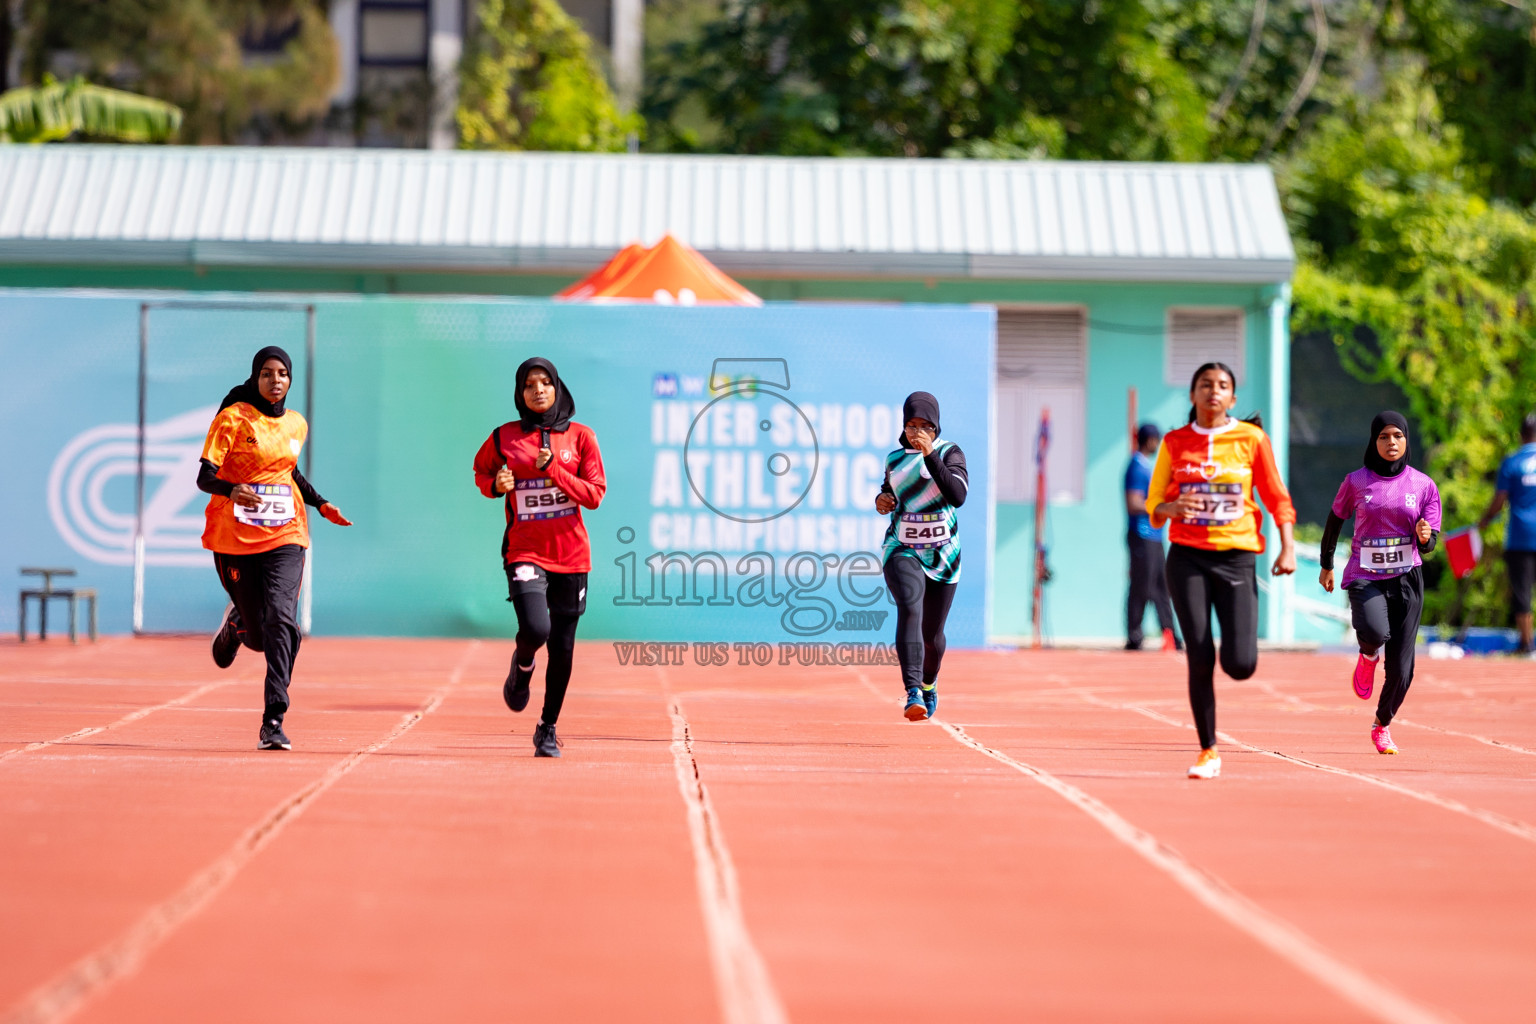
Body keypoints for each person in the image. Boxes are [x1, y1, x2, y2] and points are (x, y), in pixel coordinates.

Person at [1146, 362, 1296, 780]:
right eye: (1205, 385)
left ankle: (1238, 657)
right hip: (1187, 557)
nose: (1214, 391)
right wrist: (1169, 508)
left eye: (1223, 386)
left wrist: (1286, 547)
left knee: (1240, 664)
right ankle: (1208, 749)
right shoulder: (1175, 442)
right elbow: (1153, 501)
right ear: (1192, 395)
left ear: (1232, 398)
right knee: (1198, 651)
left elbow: (1276, 497)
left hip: (1236, 558)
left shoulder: (1251, 439)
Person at [199, 345, 352, 751]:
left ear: (290, 380)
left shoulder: (297, 424)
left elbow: (290, 472)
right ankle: (236, 626)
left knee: (283, 622)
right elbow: (204, 477)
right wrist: (233, 491)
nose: (275, 380)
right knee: (258, 638)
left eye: (282, 373)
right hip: (236, 537)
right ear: (255, 377)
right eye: (267, 373)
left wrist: (319, 503)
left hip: (286, 534)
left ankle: (274, 718)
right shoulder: (232, 419)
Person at [473, 358, 606, 757]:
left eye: (545, 382)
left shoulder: (581, 437)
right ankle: (523, 663)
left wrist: (558, 475)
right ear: (520, 393)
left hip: (571, 556)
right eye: (529, 385)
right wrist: (495, 486)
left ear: (557, 387)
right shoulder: (504, 438)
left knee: (563, 649)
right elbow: (481, 473)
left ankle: (547, 727)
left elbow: (595, 495)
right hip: (525, 550)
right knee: (536, 628)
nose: (538, 391)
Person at [1318, 412, 1440, 754]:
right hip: (1365, 574)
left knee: (1402, 669)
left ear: (1406, 441)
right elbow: (1335, 521)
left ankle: (1382, 724)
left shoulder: (1424, 486)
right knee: (1373, 631)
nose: (1391, 443)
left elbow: (1429, 545)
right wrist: (1327, 564)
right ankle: (1368, 654)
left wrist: (1426, 537)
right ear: (1374, 441)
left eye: (1398, 436)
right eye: (1384, 436)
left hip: (1407, 578)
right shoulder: (1356, 481)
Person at [875, 391, 968, 722]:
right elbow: (891, 493)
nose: (917, 432)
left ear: (936, 427)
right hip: (902, 548)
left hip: (944, 554)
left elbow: (957, 496)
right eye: (911, 425)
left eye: (925, 426)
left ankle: (929, 683)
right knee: (909, 607)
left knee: (933, 636)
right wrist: (882, 500)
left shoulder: (949, 453)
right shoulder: (894, 460)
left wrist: (930, 456)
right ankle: (913, 691)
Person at [1477, 412, 1536, 655]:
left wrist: (1485, 520)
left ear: (1521, 435)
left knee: (1522, 591)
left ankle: (1527, 644)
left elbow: (1499, 500)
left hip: (1521, 537)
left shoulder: (1512, 462)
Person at [1125, 423, 1180, 652]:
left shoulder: (1148, 466)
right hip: (1141, 535)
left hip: (1155, 536)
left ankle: (1170, 634)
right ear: (1150, 441)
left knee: (1162, 587)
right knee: (1141, 586)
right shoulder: (1136, 467)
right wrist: (1159, 507)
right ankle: (1134, 636)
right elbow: (1133, 502)